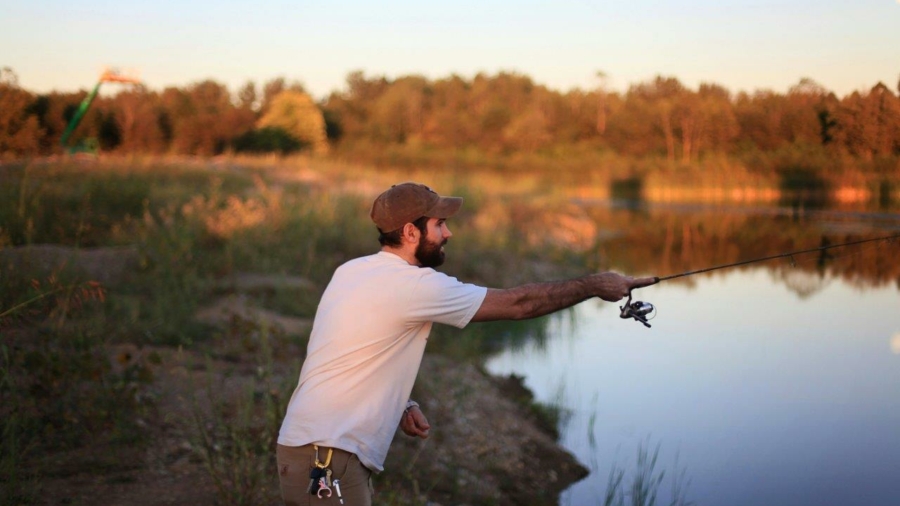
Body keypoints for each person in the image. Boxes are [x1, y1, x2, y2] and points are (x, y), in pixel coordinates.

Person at [276, 182, 655, 505]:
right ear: (411, 232)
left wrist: (400, 401)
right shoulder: (413, 285)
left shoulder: (353, 270)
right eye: (440, 224)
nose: (448, 233)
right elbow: (519, 304)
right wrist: (593, 286)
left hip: (308, 450)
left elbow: (349, 348)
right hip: (327, 458)